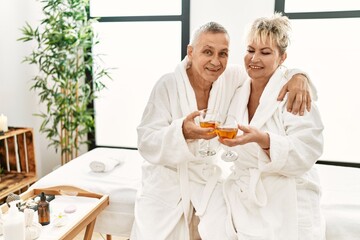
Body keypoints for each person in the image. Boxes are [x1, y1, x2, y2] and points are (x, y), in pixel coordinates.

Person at [131, 21, 314, 240]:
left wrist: (298, 76)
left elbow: (265, 71)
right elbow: (146, 141)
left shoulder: (230, 79)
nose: (215, 62)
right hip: (166, 180)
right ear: (191, 52)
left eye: (223, 53)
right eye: (207, 52)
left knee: (221, 232)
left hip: (206, 177)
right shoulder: (168, 85)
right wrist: (182, 132)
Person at [219, 13, 325, 239]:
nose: (254, 58)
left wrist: (264, 140)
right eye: (250, 50)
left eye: (265, 52)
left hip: (289, 197)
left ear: (282, 57)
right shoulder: (239, 89)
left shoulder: (294, 94)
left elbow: (308, 150)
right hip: (247, 198)